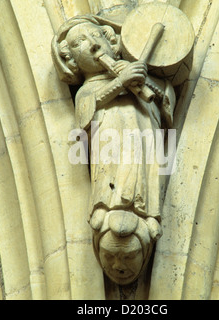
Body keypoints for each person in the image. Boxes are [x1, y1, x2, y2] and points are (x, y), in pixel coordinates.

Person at [52, 15, 175, 284]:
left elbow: (164, 105)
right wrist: (121, 82)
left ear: (110, 38)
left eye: (93, 35)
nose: (89, 43)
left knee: (147, 167)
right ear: (72, 61)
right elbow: (85, 114)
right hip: (109, 147)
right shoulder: (87, 89)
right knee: (107, 172)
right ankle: (103, 207)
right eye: (78, 43)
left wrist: (153, 87)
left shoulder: (137, 79)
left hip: (142, 137)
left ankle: (149, 213)